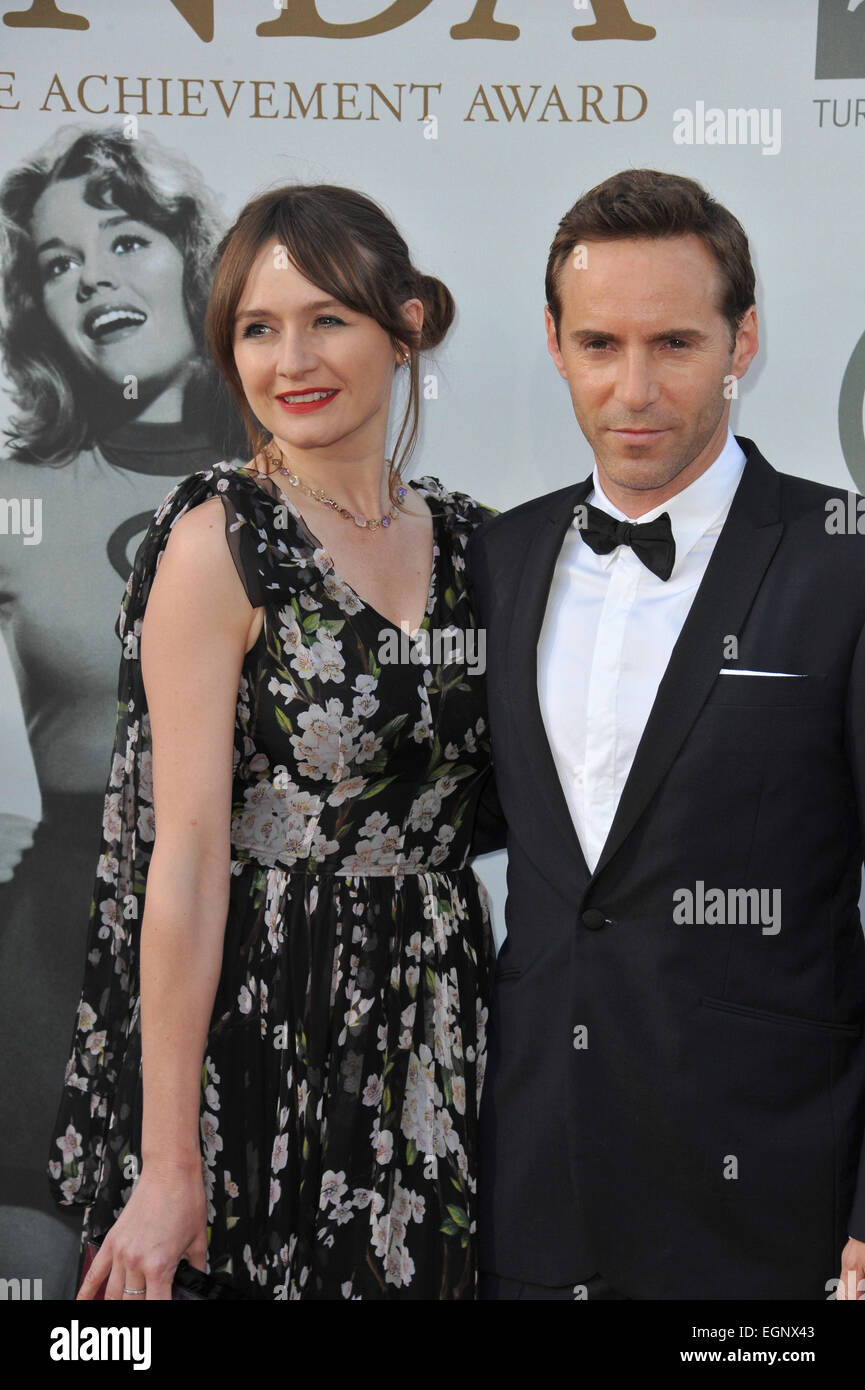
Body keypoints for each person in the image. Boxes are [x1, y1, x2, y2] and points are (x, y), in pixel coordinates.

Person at [49, 182, 499, 1301]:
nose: (289, 357)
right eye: (257, 327)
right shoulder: (214, 539)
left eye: (327, 318)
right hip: (265, 1026)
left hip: (440, 1018)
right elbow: (186, 861)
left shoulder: (479, 541)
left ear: (406, 326)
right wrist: (166, 1165)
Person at [468, 167, 865, 1301]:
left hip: (770, 1202)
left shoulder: (843, 558)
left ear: (744, 342)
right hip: (537, 1190)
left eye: (675, 344)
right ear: (553, 343)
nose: (633, 388)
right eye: (598, 344)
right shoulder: (500, 561)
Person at [0, 124, 245, 1298]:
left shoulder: (330, 493)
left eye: (125, 239)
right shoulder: (11, 496)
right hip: (51, 951)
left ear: (198, 259)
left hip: (268, 945)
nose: (88, 275)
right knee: (70, 1313)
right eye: (54, 262)